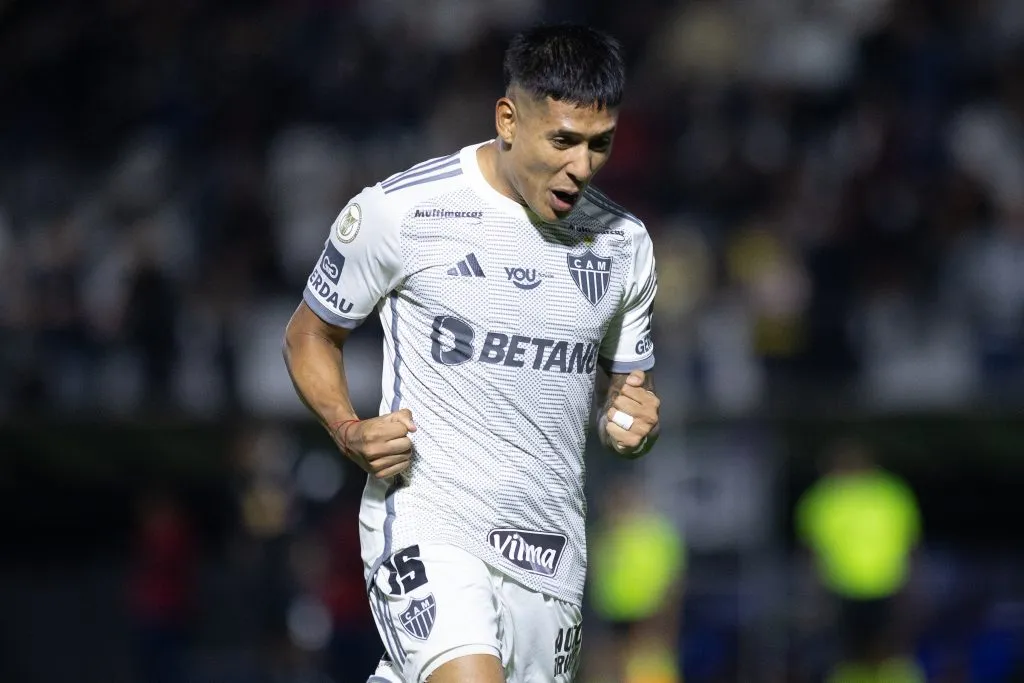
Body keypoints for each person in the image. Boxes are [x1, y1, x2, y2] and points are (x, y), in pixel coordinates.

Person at [283, 23, 662, 683]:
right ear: (508, 119)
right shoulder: (403, 213)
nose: (582, 166)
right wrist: (348, 428)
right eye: (563, 141)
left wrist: (631, 424)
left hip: (551, 553)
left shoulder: (624, 245)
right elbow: (309, 334)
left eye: (600, 145)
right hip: (431, 522)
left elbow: (626, 396)